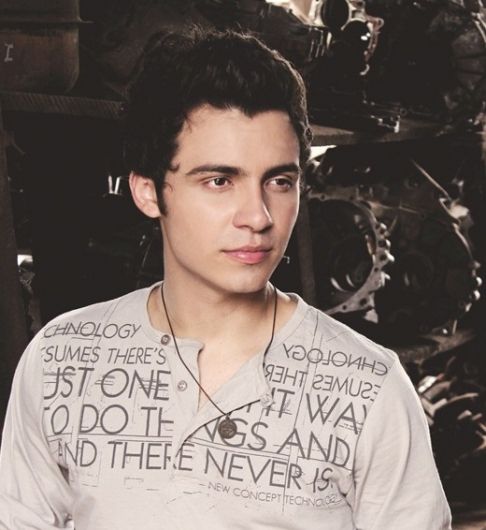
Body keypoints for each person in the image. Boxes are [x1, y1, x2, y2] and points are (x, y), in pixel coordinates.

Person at [0, 28, 451, 530]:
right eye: (219, 181)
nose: (258, 216)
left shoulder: (367, 385)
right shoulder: (63, 358)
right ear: (148, 192)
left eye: (279, 181)